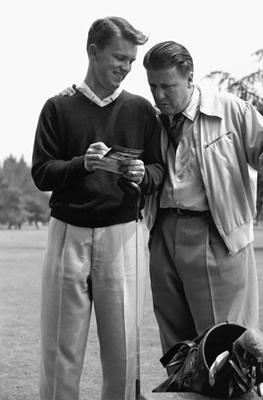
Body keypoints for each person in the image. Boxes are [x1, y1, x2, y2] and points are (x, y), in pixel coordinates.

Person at [142, 41, 263, 357]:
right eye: (152, 86)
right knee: (177, 346)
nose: (159, 96)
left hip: (217, 236)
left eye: (167, 86)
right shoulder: (148, 117)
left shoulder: (232, 111)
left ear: (190, 79)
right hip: (162, 234)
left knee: (227, 345)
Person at [31, 17, 165, 400]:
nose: (125, 68)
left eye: (130, 61)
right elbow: (41, 172)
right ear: (93, 52)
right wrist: (81, 164)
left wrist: (145, 174)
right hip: (67, 235)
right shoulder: (57, 107)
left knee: (123, 352)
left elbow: (159, 169)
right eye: (119, 58)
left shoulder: (141, 110)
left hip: (124, 234)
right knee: (60, 349)